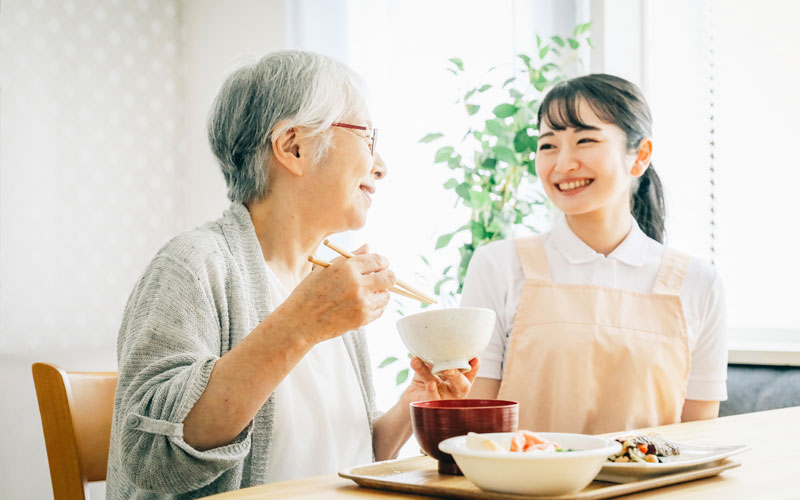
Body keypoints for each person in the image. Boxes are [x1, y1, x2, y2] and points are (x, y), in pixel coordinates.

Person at [106, 50, 478, 499]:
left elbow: (347, 459)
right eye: (368, 138)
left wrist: (412, 402)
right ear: (293, 147)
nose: (381, 166)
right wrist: (303, 323)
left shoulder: (329, 284)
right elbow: (150, 459)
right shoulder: (194, 264)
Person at [463, 74, 726, 434]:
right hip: (526, 487)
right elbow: (478, 429)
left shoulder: (698, 282)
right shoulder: (498, 266)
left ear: (640, 156)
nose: (563, 163)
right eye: (548, 145)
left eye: (585, 140)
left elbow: (699, 438)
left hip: (652, 489)